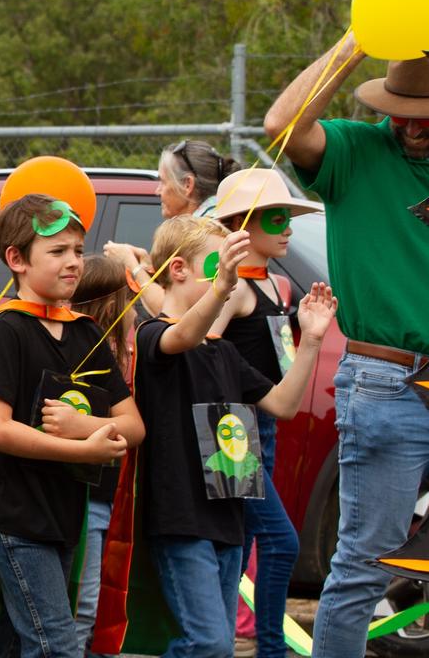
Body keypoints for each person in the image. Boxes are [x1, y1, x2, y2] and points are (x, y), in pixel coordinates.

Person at [265, 36, 429, 658]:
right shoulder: (355, 151)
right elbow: (282, 124)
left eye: (426, 113)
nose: (411, 124)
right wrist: (359, 40)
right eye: (400, 108)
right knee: (366, 559)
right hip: (386, 385)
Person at [134, 215, 334, 657]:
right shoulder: (153, 336)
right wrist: (224, 287)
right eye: (217, 266)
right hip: (180, 519)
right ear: (178, 270)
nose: (228, 277)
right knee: (207, 643)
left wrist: (314, 340)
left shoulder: (223, 352)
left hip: (228, 516)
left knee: (219, 646)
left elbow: (282, 404)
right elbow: (182, 335)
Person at [0, 194, 145, 658]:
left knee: (19, 641)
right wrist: (83, 451)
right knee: (56, 644)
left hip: (64, 516)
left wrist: (84, 426)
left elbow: (134, 425)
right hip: (15, 517)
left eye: (78, 251)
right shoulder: (6, 330)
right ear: (17, 260)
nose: (74, 263)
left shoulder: (85, 332)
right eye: (58, 252)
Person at [209, 168, 321, 658]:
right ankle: (268, 649)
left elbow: (275, 349)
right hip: (232, 433)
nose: (288, 228)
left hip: (267, 427)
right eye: (277, 218)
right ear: (242, 224)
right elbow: (201, 347)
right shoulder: (232, 289)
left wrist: (302, 321)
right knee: (280, 542)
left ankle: (222, 639)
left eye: (289, 217)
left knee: (243, 543)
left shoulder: (279, 286)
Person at [67, 255, 136, 656]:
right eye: (131, 299)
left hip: (115, 497)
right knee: (83, 607)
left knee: (105, 608)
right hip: (87, 498)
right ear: (114, 305)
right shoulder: (89, 355)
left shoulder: (125, 352)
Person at [103, 140, 240, 316]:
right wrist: (151, 266)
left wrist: (131, 265)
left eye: (163, 181)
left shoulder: (205, 235)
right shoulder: (220, 221)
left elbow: (171, 312)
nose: (158, 191)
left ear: (187, 185)